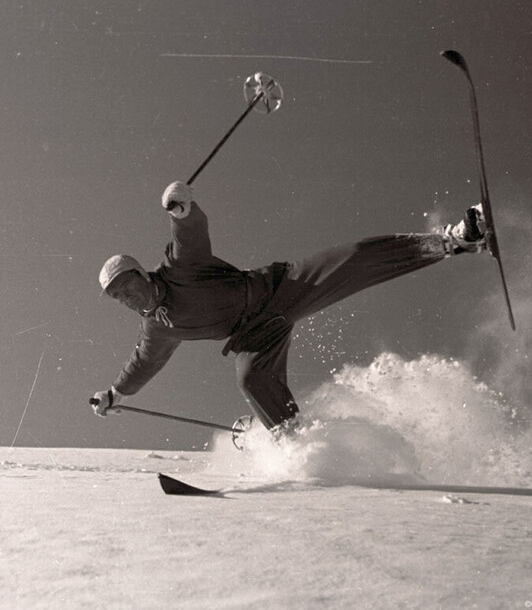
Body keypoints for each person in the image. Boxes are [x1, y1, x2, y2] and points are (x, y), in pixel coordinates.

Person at [93, 180, 487, 436]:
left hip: (279, 289)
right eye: (118, 298)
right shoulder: (157, 328)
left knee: (351, 260)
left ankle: (455, 241)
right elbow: (143, 363)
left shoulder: (180, 269)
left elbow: (189, 236)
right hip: (254, 336)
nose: (127, 298)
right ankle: (296, 446)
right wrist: (115, 393)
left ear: (142, 273)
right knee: (252, 380)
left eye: (127, 286)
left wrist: (184, 211)